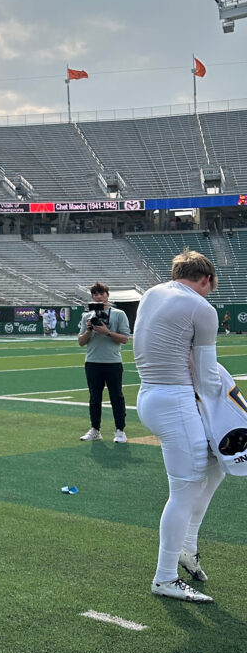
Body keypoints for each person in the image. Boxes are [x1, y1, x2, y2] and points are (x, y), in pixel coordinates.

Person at [133, 250, 224, 603]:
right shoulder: (201, 307)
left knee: (215, 467)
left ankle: (187, 546)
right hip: (175, 400)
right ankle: (165, 576)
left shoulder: (153, 293)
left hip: (149, 395)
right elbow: (207, 376)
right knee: (184, 491)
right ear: (206, 279)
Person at [77, 282, 131, 443]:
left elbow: (125, 339)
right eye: (95, 294)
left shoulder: (119, 314)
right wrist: (88, 330)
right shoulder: (87, 316)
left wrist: (107, 332)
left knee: (116, 397)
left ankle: (120, 430)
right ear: (92, 297)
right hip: (92, 361)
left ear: (107, 295)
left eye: (102, 294)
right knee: (94, 398)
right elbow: (81, 342)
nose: (99, 297)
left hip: (112, 361)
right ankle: (95, 429)